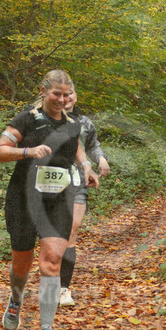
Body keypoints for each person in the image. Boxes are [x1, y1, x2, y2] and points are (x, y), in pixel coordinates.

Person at [0, 70, 99, 330]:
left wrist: (86, 166)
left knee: (51, 261)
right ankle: (16, 300)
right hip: (24, 199)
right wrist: (27, 152)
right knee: (22, 265)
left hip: (58, 199)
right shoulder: (27, 118)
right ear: (43, 91)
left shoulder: (72, 124)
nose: (62, 100)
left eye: (66, 95)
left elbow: (75, 147)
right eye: (56, 94)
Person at [59, 87, 110, 307]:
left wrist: (101, 159)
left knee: (71, 231)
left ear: (76, 97)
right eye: (62, 94)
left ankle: (63, 289)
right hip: (49, 183)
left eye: (70, 93)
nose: (66, 98)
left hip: (78, 183)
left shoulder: (85, 123)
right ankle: (49, 276)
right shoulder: (44, 119)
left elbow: (93, 146)